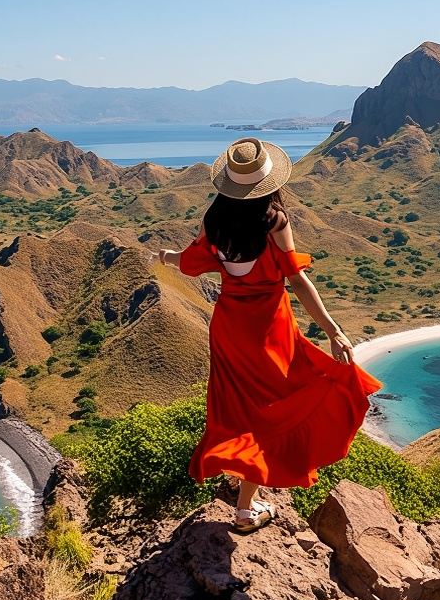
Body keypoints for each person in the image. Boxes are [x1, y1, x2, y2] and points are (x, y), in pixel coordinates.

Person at [155, 137, 382, 533]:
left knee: (238, 406)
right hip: (269, 327)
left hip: (228, 327)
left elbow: (192, 263)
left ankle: (244, 481)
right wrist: (333, 331)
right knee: (278, 404)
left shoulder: (215, 219)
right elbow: (297, 278)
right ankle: (245, 508)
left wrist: (165, 258)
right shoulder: (274, 220)